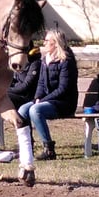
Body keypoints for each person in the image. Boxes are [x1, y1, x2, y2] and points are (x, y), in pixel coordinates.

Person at [17, 30, 78, 160]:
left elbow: (63, 89)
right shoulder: (46, 60)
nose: (43, 43)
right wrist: (38, 97)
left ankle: (49, 149)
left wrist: (43, 100)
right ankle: (28, 146)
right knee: (22, 110)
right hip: (48, 100)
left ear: (55, 43)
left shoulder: (66, 61)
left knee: (35, 110)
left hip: (64, 102)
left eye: (46, 40)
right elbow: (41, 83)